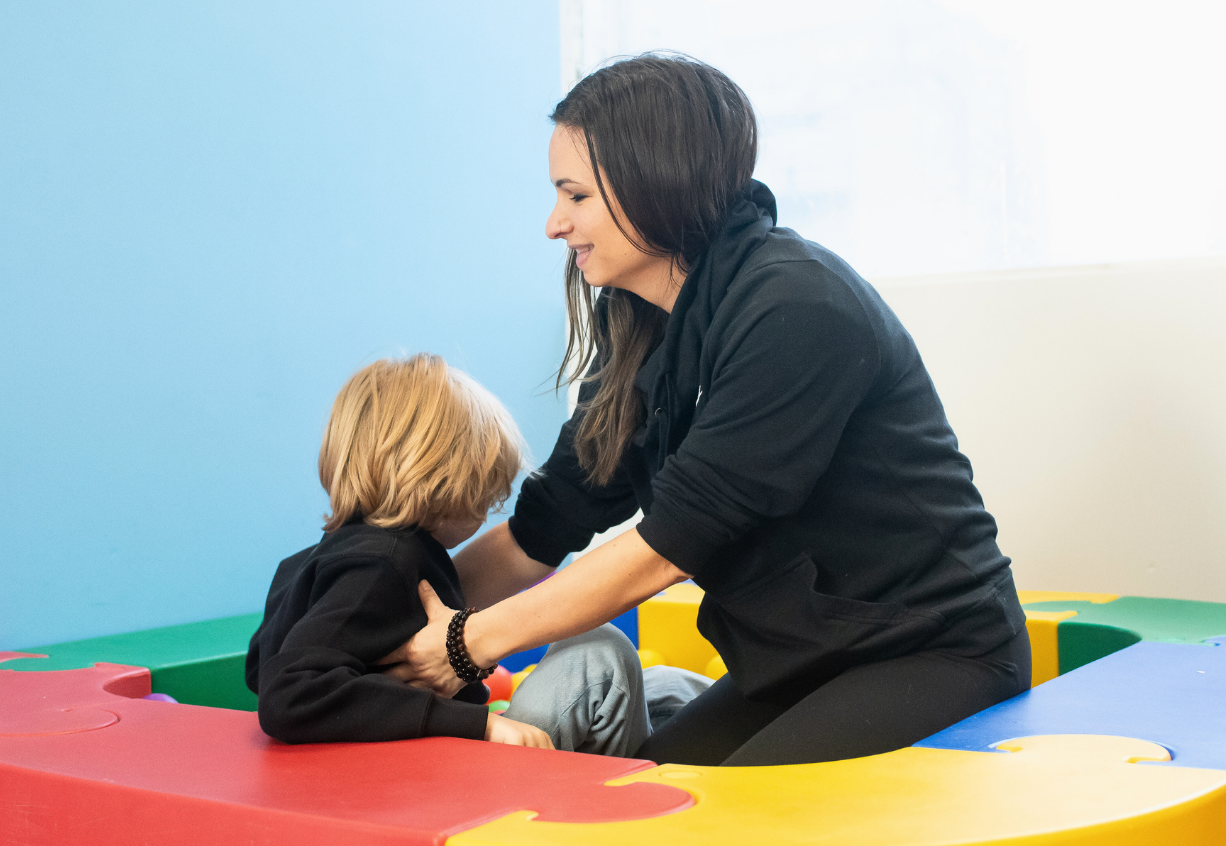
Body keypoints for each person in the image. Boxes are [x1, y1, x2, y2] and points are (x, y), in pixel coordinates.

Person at [381, 54, 1032, 767]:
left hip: (930, 651)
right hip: (794, 664)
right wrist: (374, 615)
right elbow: (548, 521)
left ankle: (667, 693)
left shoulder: (797, 309)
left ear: (650, 182)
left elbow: (669, 547)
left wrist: (464, 643)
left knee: (705, 833)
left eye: (575, 196)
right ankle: (671, 695)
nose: (554, 225)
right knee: (649, 791)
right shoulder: (637, 320)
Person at [244, 354, 654, 756]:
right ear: (448, 483)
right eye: (486, 491)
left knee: (665, 685)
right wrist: (480, 723)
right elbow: (288, 694)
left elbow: (260, 670)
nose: (490, 505)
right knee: (599, 651)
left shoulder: (305, 564)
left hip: (406, 765)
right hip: (426, 781)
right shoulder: (384, 564)